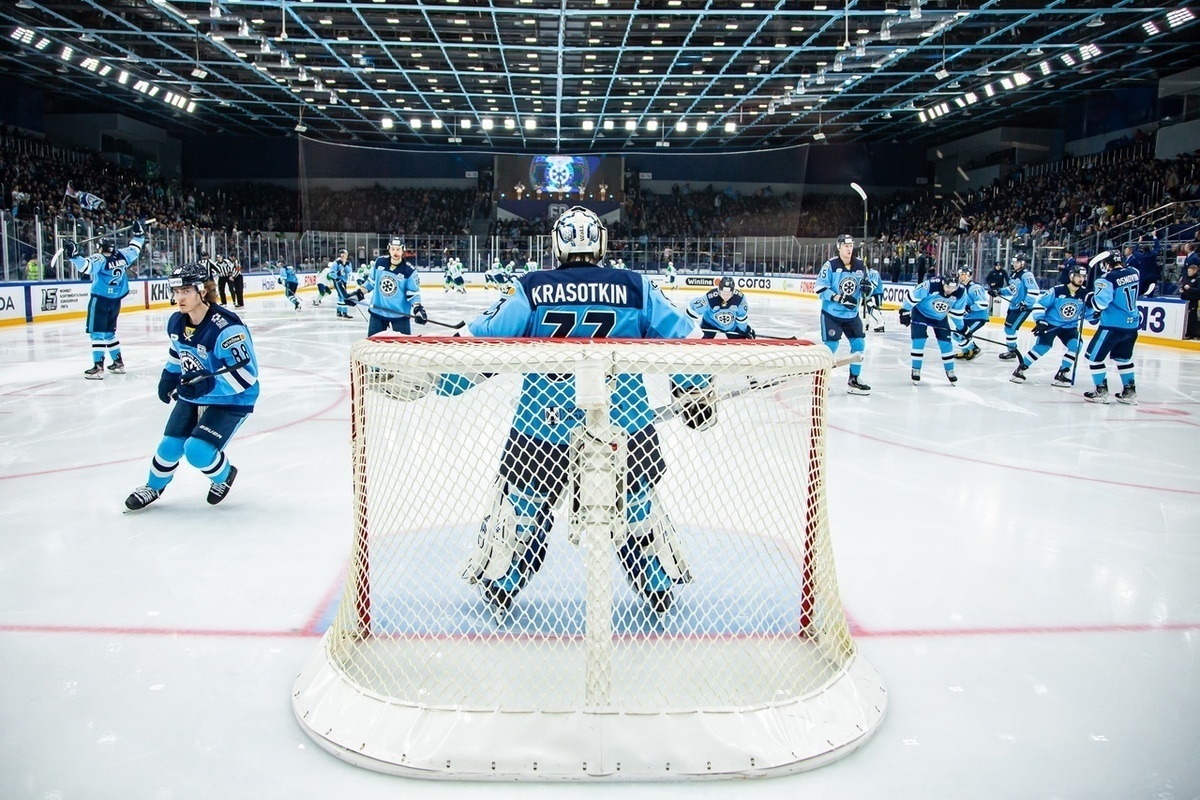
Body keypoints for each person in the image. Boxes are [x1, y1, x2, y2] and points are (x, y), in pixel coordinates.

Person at [438, 206, 704, 616]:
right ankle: (655, 583)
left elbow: (480, 344)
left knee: (523, 513)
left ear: (557, 245)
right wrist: (693, 391)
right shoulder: (635, 287)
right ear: (600, 243)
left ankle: (504, 582)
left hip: (541, 425)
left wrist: (438, 381)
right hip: (626, 424)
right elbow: (689, 339)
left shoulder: (533, 288)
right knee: (636, 512)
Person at [123, 263, 259, 511]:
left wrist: (205, 387)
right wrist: (169, 376)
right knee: (169, 447)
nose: (179, 297)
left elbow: (246, 377)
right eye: (176, 291)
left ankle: (224, 475)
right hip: (196, 392)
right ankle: (153, 486)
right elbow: (178, 352)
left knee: (196, 451)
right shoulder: (177, 322)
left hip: (233, 398)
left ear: (202, 291)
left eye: (185, 291)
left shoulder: (226, 328)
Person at [64, 219, 147, 379]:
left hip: (100, 300)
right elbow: (136, 247)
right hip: (115, 301)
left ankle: (98, 367)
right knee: (109, 333)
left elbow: (85, 267)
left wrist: (74, 255)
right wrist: (139, 234)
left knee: (97, 333)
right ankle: (118, 363)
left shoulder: (100, 259)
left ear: (101, 248)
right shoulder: (124, 255)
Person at [1010, 265, 1089, 387]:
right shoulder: (1057, 290)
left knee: (1076, 346)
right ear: (1071, 276)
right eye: (1078, 276)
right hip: (1051, 325)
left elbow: (1087, 313)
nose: (1081, 279)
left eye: (1083, 276)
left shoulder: (1085, 294)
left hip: (1069, 327)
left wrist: (1096, 314)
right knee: (1042, 348)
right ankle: (1020, 370)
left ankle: (1062, 373)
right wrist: (1040, 321)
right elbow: (1039, 304)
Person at [1082, 249, 1141, 404]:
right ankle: (1129, 391)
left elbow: (1100, 304)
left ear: (1107, 263)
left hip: (1111, 326)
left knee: (1093, 358)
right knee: (1123, 358)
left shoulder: (1107, 278)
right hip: (1131, 326)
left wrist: (1089, 298)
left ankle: (1100, 390)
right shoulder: (1134, 272)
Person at [815, 233, 871, 395]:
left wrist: (868, 288)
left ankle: (854, 379)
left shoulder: (860, 265)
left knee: (859, 345)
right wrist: (839, 298)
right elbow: (820, 288)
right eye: (846, 246)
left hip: (852, 315)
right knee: (831, 346)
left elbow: (866, 286)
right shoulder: (830, 265)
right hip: (831, 314)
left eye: (851, 246)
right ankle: (822, 381)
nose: (849, 249)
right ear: (839, 247)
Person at [345, 236, 427, 335]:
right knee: (373, 346)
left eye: (398, 249)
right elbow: (371, 282)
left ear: (403, 250)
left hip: (400, 314)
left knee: (402, 347)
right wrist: (358, 294)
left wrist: (418, 308)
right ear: (389, 249)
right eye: (393, 249)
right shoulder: (380, 262)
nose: (395, 252)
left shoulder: (409, 271)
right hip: (378, 311)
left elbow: (413, 294)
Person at [899, 272, 966, 385]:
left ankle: (950, 371)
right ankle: (916, 369)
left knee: (946, 343)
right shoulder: (931, 285)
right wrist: (905, 311)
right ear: (943, 283)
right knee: (919, 341)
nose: (950, 290)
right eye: (948, 287)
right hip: (921, 314)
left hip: (940, 317)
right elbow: (912, 297)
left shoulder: (961, 291)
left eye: (953, 287)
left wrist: (962, 328)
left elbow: (957, 313)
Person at [997, 253, 1041, 359]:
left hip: (1022, 308)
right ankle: (1011, 349)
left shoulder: (1026, 275)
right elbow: (1012, 290)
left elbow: (1034, 291)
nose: (1015, 264)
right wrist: (999, 291)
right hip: (1014, 306)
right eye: (1014, 262)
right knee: (1008, 329)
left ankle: (1012, 351)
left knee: (1010, 329)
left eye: (1017, 262)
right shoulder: (1013, 275)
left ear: (1022, 263)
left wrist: (1025, 303)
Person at [687, 276, 754, 339]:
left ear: (733, 292)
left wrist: (744, 330)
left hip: (731, 328)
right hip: (709, 326)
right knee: (702, 343)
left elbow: (741, 317)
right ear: (719, 290)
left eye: (728, 294)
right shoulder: (711, 297)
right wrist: (686, 327)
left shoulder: (739, 298)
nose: (725, 296)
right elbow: (692, 310)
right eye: (723, 293)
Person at [952, 265, 989, 361]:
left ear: (969, 276)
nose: (961, 276)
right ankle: (966, 352)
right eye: (960, 274)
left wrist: (970, 308)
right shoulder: (960, 287)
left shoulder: (974, 287)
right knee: (956, 335)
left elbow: (983, 304)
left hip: (978, 317)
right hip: (968, 318)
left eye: (963, 274)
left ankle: (974, 349)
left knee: (961, 335)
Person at [1127, 231, 1161, 297]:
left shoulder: (1141, 256)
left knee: (1140, 292)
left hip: (1143, 276)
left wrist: (1139, 242)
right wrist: (1154, 236)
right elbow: (1157, 246)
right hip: (1152, 277)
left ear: (1143, 250)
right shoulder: (1153, 254)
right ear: (1150, 249)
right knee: (1150, 292)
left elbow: (1134, 251)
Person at [329, 248, 355, 320]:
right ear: (342, 254)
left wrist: (344, 264)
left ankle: (339, 311)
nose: (346, 255)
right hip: (338, 282)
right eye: (345, 254)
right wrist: (337, 278)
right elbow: (331, 273)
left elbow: (349, 272)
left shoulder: (348, 263)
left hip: (344, 281)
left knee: (340, 296)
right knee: (344, 296)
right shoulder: (336, 263)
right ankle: (344, 312)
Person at [1180, 245, 1200, 340]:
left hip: (1193, 300)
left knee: (1193, 318)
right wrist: (1183, 290)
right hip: (1186, 300)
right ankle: (1188, 333)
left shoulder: (1198, 278)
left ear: (1195, 270)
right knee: (1187, 318)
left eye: (1189, 271)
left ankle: (1195, 334)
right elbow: (1185, 286)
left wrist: (1189, 289)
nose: (1188, 272)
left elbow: (1197, 290)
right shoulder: (1188, 278)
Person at [861, 262, 886, 333]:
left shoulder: (873, 272)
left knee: (875, 308)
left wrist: (868, 292)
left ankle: (880, 323)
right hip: (871, 294)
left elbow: (874, 284)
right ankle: (868, 323)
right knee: (869, 309)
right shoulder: (866, 273)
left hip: (876, 293)